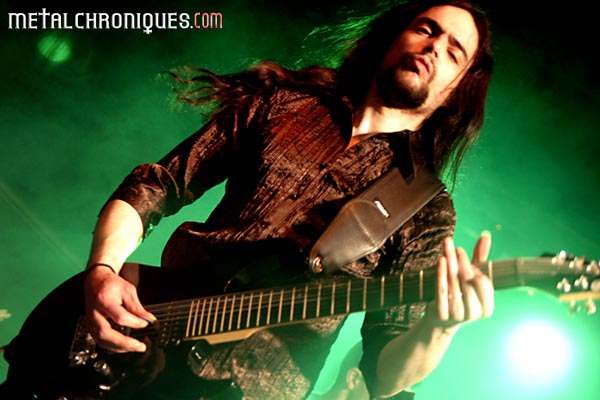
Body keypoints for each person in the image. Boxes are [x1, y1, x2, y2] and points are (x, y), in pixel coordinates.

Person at [83, 0, 495, 398]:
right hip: (143, 330)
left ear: (456, 89)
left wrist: (439, 329)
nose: (434, 47)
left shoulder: (426, 210)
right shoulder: (284, 104)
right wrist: (102, 270)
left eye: (454, 52)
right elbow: (157, 185)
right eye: (426, 29)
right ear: (393, 37)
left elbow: (383, 378)